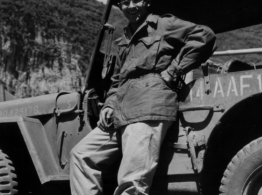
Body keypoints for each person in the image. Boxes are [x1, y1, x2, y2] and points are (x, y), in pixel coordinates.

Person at [70, 0, 216, 195]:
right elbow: (117, 79)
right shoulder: (124, 39)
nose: (130, 6)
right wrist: (109, 104)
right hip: (121, 109)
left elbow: (205, 36)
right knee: (81, 155)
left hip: (149, 105)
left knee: (131, 182)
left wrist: (173, 70)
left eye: (135, 0)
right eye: (124, 2)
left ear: (146, 2)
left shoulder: (164, 24)